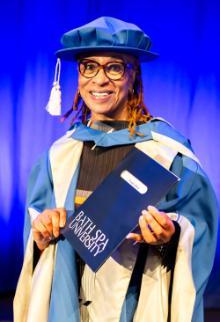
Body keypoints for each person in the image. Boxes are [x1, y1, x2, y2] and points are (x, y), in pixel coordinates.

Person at [14, 17, 217, 322]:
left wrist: (171, 234)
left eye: (114, 67)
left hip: (136, 305)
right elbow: (36, 242)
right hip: (66, 303)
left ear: (134, 74)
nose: (99, 80)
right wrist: (41, 232)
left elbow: (200, 231)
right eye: (89, 66)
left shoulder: (168, 152)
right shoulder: (59, 155)